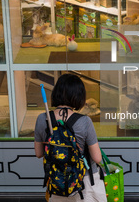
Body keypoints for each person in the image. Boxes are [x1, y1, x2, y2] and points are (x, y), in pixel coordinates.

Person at [34, 73, 107, 202]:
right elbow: (97, 158)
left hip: (57, 181)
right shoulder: (85, 121)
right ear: (79, 96)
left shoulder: (42, 118)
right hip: (85, 182)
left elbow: (39, 153)